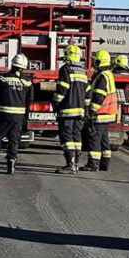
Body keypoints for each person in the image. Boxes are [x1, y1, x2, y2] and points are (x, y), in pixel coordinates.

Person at [80, 49, 118, 172]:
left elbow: (98, 97)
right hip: (108, 114)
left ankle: (93, 164)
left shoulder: (102, 77)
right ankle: (104, 164)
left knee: (94, 139)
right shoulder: (108, 75)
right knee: (104, 140)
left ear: (99, 62)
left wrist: (91, 111)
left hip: (100, 113)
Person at [53, 44, 88, 173]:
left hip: (67, 110)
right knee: (76, 136)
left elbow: (62, 89)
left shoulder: (66, 69)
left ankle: (70, 164)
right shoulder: (83, 72)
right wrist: (86, 108)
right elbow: (88, 93)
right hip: (80, 111)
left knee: (66, 137)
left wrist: (55, 103)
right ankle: (76, 163)